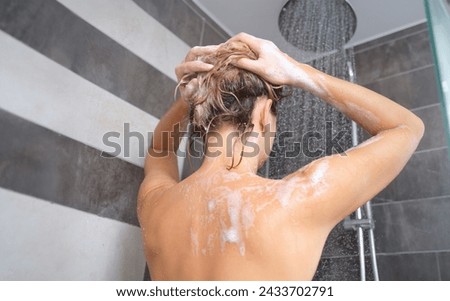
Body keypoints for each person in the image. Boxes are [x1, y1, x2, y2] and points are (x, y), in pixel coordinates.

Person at [137, 33, 424, 280]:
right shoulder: (297, 199)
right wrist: (297, 71)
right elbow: (406, 127)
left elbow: (159, 150)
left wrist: (189, 99)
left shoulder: (155, 205)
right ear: (263, 113)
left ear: (200, 117)